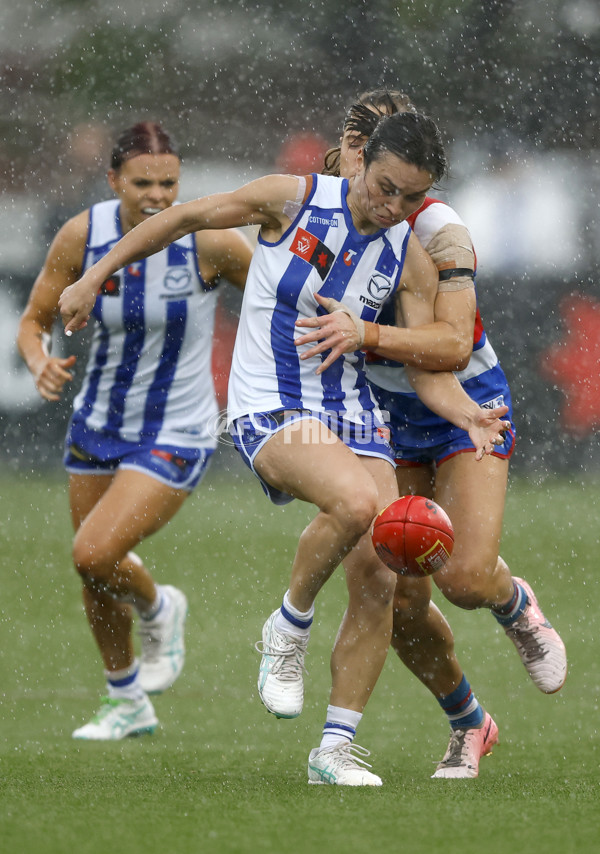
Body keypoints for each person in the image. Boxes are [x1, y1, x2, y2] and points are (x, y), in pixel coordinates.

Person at [57, 110, 510, 785]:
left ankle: (334, 749)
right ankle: (289, 624)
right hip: (271, 404)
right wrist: (96, 276)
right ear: (362, 162)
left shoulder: (410, 255)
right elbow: (182, 220)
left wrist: (467, 413)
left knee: (382, 573)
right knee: (357, 501)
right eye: (387, 187)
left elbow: (427, 368)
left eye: (413, 197)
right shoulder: (290, 198)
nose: (396, 206)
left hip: (355, 415)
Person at [295, 89, 567, 777]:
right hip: (378, 421)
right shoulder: (317, 206)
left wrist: (367, 332)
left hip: (460, 403)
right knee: (402, 598)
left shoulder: (440, 231)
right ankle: (469, 723)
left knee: (465, 578)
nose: (379, 182)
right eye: (356, 146)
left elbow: (445, 348)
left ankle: (514, 602)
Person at [17, 121, 253, 741]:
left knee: (95, 551)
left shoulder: (209, 241)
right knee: (93, 570)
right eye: (142, 182)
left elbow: (277, 301)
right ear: (113, 180)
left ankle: (158, 606)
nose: (157, 195)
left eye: (169, 182)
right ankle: (126, 699)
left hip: (180, 426)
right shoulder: (83, 234)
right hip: (97, 421)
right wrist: (40, 361)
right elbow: (33, 320)